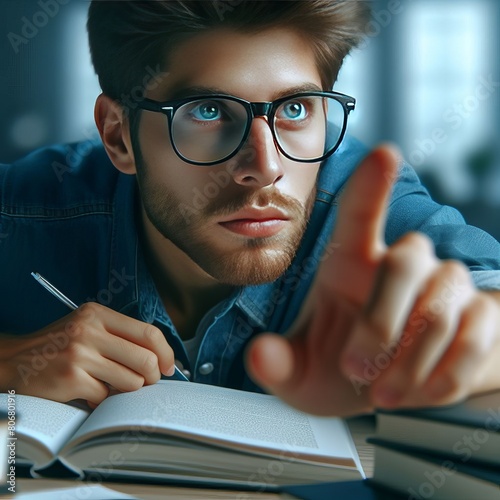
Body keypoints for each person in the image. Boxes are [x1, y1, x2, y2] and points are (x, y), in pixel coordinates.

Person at [0, 0, 499, 417]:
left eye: (296, 109)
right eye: (208, 111)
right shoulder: (27, 211)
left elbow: (484, 295)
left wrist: (467, 340)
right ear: (119, 135)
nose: (265, 167)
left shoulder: (363, 201)